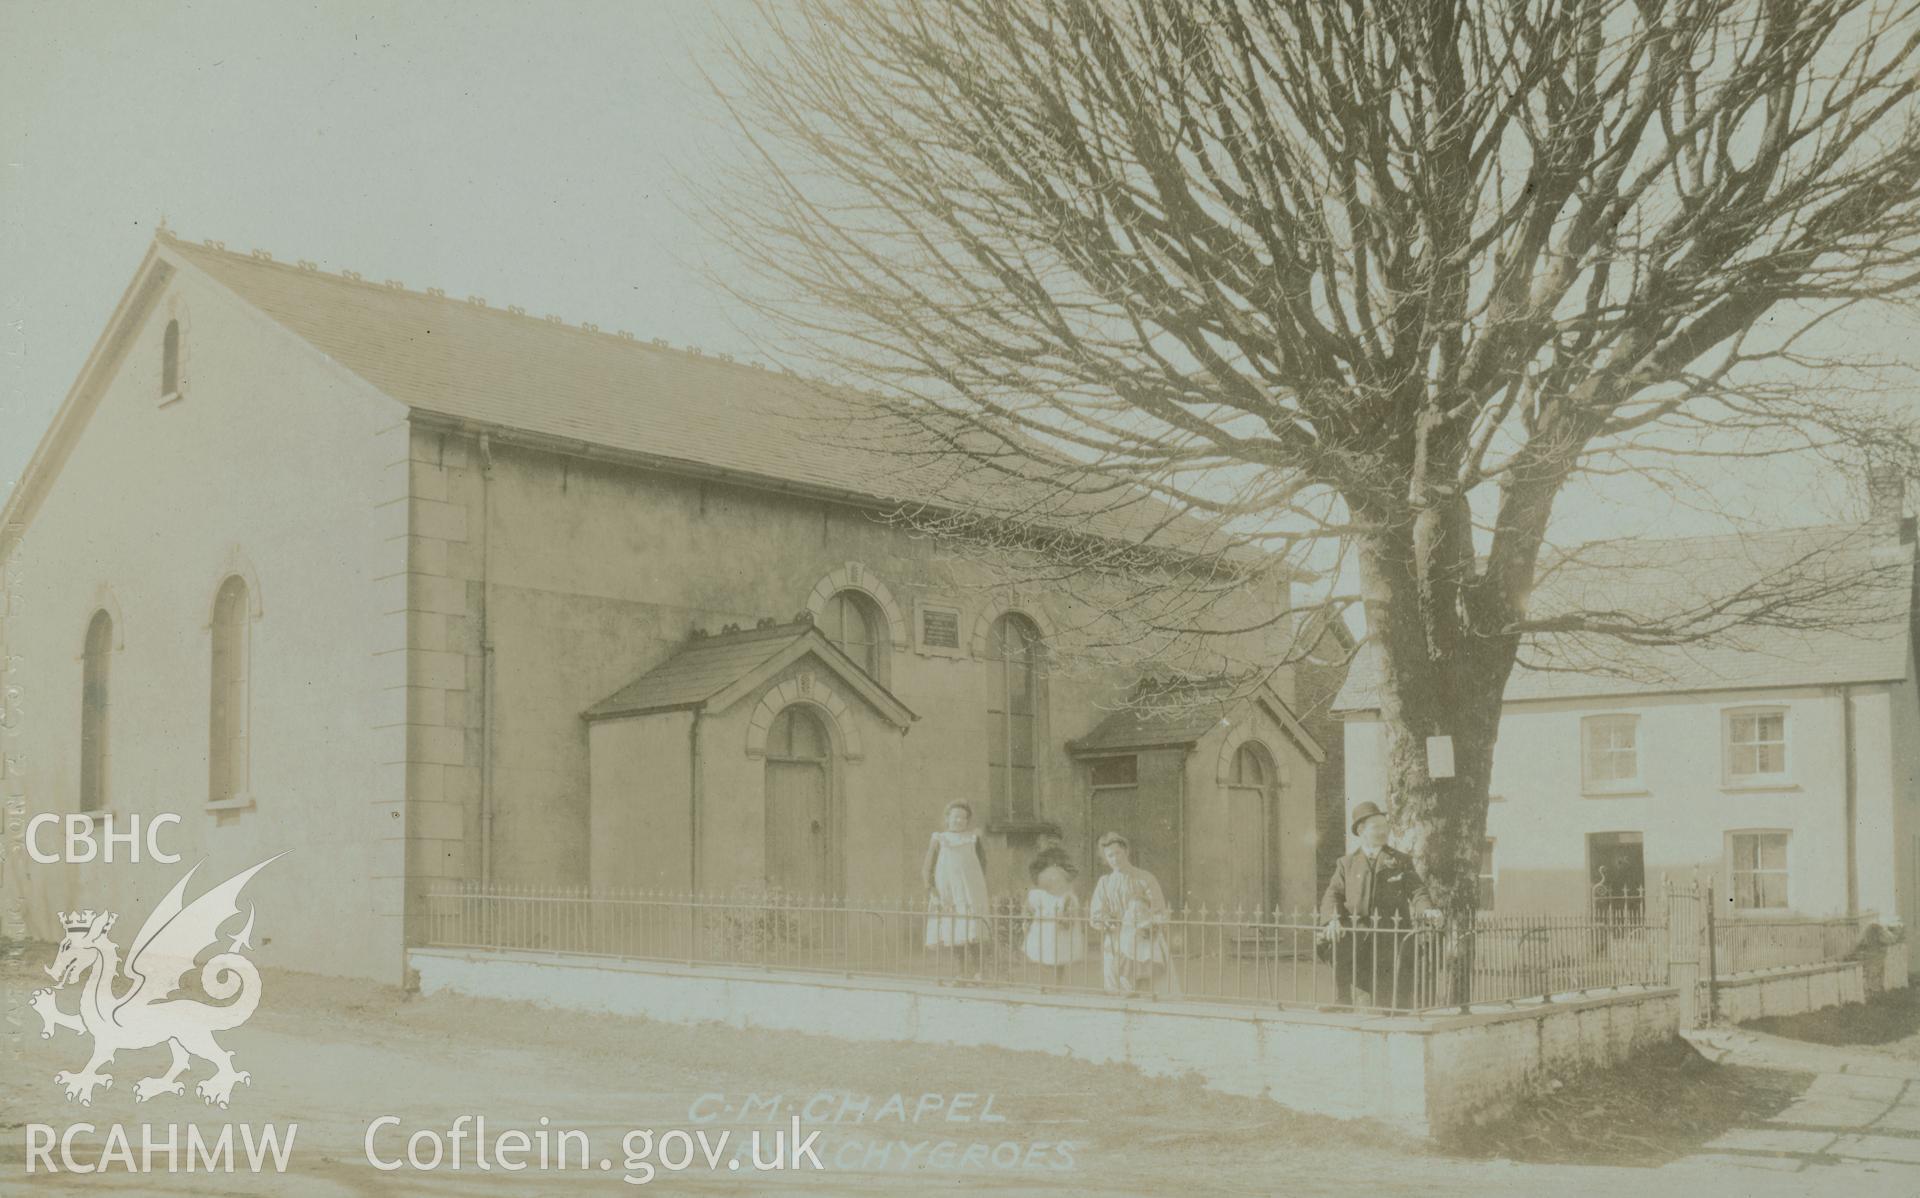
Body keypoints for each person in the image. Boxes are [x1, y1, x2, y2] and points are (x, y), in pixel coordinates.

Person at [1318, 802, 1442, 1011]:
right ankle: (1342, 1002)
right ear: (1361, 830)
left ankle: (1394, 1014)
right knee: (1337, 949)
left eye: (1385, 826)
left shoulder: (1400, 860)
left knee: (1390, 996)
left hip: (1390, 935)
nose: (1383, 831)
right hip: (1358, 933)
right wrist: (1332, 920)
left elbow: (1417, 891)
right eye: (1376, 827)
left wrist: (1427, 909)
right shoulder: (1346, 863)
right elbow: (1334, 894)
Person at [1089, 832, 1180, 998]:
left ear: (1126, 852)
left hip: (1142, 941)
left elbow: (1159, 910)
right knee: (1116, 988)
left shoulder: (1144, 878)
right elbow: (1096, 913)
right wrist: (1106, 920)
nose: (1115, 859)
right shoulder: (1105, 882)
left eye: (1118, 853)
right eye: (1110, 855)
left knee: (1144, 987)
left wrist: (1150, 926)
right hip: (1115, 940)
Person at [923, 800, 991, 981]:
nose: (959, 821)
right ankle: (961, 973)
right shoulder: (939, 839)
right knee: (954, 931)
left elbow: (982, 863)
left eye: (963, 818)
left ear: (968, 821)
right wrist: (932, 891)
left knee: (973, 930)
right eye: (955, 817)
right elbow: (928, 867)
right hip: (948, 893)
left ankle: (978, 972)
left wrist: (974, 884)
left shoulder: (973, 838)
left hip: (971, 891)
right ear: (947, 819)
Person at [1022, 860, 1087, 984]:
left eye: (1059, 880)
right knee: (1041, 956)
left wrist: (1065, 920)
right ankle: (1043, 982)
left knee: (1059, 958)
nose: (1055, 883)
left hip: (1060, 933)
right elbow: (1028, 908)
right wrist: (1026, 920)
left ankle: (1058, 982)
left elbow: (1071, 914)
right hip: (1042, 931)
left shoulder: (1067, 896)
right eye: (1051, 880)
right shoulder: (1039, 894)